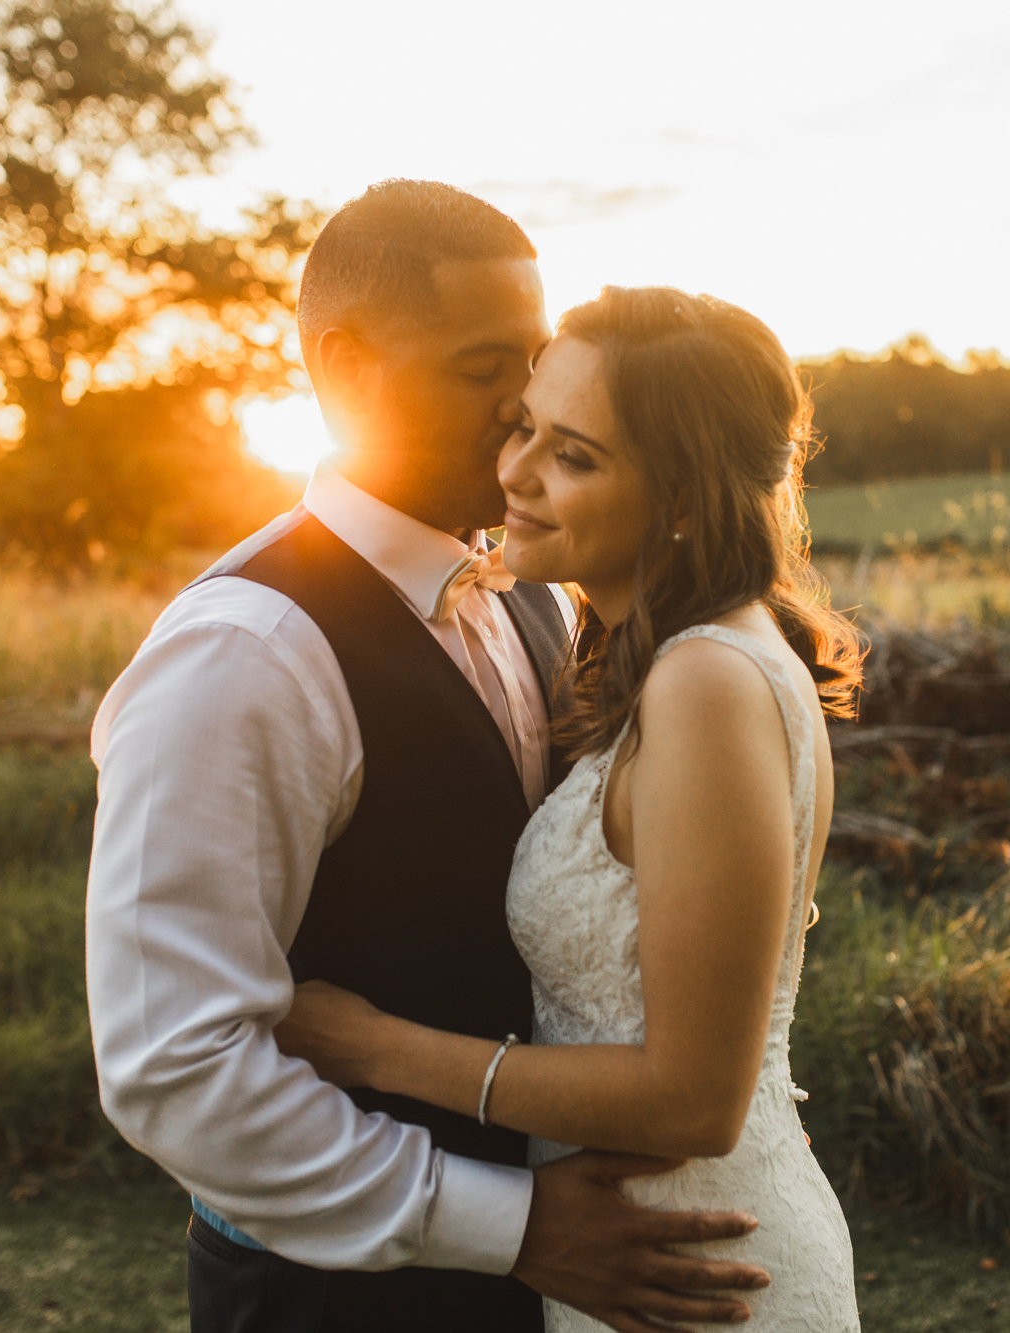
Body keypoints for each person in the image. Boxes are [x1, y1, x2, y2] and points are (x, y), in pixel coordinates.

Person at [85, 182, 772, 1333]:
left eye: (534, 361)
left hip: (565, 1283)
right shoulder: (243, 655)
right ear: (346, 366)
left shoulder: (536, 599)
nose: (524, 408)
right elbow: (177, 1069)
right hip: (337, 1302)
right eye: (480, 369)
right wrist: (510, 1224)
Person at [274, 285, 866, 1331]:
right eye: (524, 430)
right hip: (643, 1253)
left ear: (681, 498)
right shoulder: (677, 657)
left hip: (693, 1272)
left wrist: (371, 1048)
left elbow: (693, 1098)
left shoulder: (706, 685)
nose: (513, 472)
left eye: (574, 456)